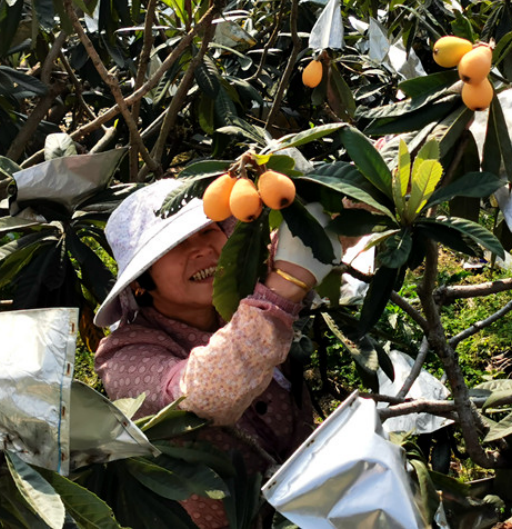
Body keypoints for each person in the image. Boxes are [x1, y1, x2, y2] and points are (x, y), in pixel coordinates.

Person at [93, 179, 338, 529]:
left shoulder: (240, 288)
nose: (201, 250)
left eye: (208, 230)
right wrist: (283, 290)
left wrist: (344, 190)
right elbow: (205, 396)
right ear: (139, 282)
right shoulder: (123, 358)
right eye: (175, 245)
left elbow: (326, 228)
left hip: (318, 488)